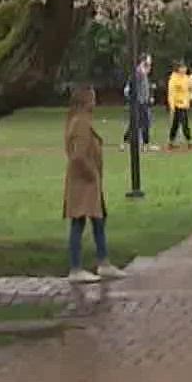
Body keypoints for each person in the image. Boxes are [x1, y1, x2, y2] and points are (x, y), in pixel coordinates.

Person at [63, 84, 127, 283]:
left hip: (87, 180)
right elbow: (78, 155)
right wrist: (91, 174)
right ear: (85, 101)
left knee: (99, 220)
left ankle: (104, 262)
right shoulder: (80, 123)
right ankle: (76, 267)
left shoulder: (77, 121)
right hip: (84, 181)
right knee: (79, 221)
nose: (95, 102)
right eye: (92, 98)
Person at [122, 56, 156, 152]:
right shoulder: (138, 73)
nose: (150, 64)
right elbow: (130, 88)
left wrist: (149, 97)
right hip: (139, 103)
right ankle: (142, 145)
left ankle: (143, 144)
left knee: (142, 123)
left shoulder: (143, 72)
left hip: (143, 102)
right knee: (139, 124)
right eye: (148, 61)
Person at [165, 62, 192, 148]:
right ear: (178, 69)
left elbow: (189, 89)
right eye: (182, 68)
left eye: (185, 68)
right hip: (177, 105)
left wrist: (191, 96)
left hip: (184, 104)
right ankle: (189, 140)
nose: (184, 69)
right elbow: (171, 93)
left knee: (175, 124)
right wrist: (172, 106)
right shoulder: (173, 79)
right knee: (184, 123)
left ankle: (171, 141)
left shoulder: (186, 78)